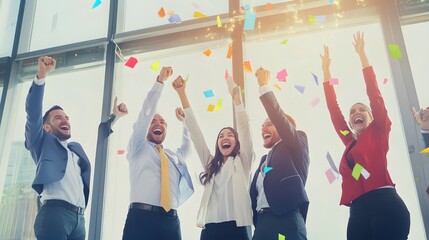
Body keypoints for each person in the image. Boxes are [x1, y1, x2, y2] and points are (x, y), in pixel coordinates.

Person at [25, 56, 127, 240]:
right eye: (58, 118)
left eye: (67, 118)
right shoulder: (41, 143)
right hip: (55, 214)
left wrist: (115, 117)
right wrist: (41, 75)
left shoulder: (75, 149)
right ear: (46, 127)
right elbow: (33, 113)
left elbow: (101, 136)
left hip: (79, 219)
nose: (65, 120)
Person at [320, 32, 410, 240]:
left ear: (371, 117)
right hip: (358, 210)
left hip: (385, 205)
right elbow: (334, 112)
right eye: (352, 112)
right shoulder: (349, 140)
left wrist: (362, 56)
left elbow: (374, 95)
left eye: (361, 110)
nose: (355, 113)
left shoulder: (378, 131)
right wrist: (326, 72)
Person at [172, 75, 254, 240]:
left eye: (230, 135)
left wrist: (237, 101)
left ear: (237, 143)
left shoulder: (243, 161)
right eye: (221, 136)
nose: (225, 138)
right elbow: (196, 134)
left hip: (236, 229)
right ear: (217, 144)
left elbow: (245, 129)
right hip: (210, 230)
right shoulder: (211, 165)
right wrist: (182, 93)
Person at [122, 67, 194, 240]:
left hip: (170, 221)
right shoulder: (138, 146)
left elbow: (186, 148)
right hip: (140, 218)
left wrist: (185, 123)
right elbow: (144, 115)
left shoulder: (172, 157)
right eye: (153, 121)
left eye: (162, 122)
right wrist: (160, 83)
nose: (158, 124)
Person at [249, 67, 310, 240]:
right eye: (262, 126)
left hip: (286, 221)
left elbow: (279, 118)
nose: (263, 128)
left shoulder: (297, 142)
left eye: (269, 123)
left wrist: (263, 86)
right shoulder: (263, 161)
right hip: (261, 225)